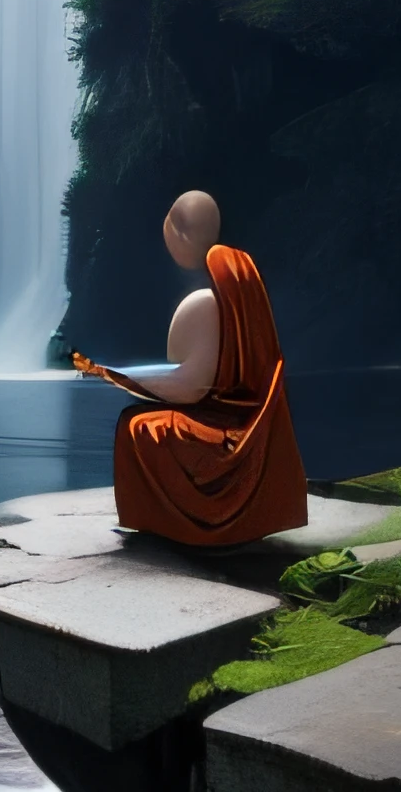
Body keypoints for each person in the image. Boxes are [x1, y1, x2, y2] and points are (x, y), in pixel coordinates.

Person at [76, 191, 308, 547]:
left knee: (137, 426)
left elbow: (191, 388)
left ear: (181, 235)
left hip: (229, 430)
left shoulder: (205, 305)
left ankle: (180, 525)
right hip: (239, 415)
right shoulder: (239, 281)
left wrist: (114, 376)